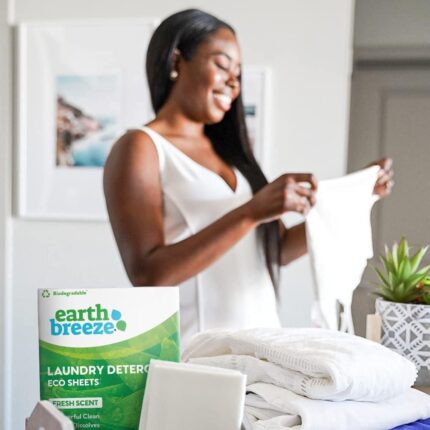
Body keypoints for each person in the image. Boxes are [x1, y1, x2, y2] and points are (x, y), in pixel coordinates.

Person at [103, 9, 393, 345]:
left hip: (263, 349)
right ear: (177, 62)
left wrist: (357, 196)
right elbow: (148, 275)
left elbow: (277, 250)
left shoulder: (232, 156)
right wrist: (251, 212)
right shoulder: (141, 147)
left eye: (238, 73)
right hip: (195, 354)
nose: (233, 83)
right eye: (222, 65)